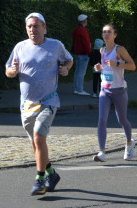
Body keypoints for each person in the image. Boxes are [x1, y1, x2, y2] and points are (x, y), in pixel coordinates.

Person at [6, 13, 72, 195]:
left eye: (36, 26)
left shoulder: (55, 45)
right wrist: (12, 71)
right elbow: (8, 70)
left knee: (39, 137)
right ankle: (52, 173)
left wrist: (65, 68)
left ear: (44, 27)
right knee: (35, 145)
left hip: (49, 100)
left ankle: (39, 180)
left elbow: (69, 59)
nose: (32, 30)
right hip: (27, 103)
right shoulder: (20, 47)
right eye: (29, 27)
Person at [93, 23, 136, 162]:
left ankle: (129, 143)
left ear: (115, 35)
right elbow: (106, 67)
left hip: (119, 90)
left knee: (122, 120)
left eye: (109, 32)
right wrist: (100, 67)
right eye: (104, 31)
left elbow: (133, 66)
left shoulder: (119, 50)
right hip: (105, 90)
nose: (106, 34)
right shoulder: (102, 50)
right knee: (101, 119)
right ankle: (102, 152)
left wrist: (117, 64)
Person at [71, 13, 91, 96]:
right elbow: (86, 43)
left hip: (77, 53)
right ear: (84, 21)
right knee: (81, 73)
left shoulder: (76, 29)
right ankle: (80, 90)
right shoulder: (83, 30)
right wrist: (89, 53)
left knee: (77, 71)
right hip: (83, 54)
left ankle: (76, 89)